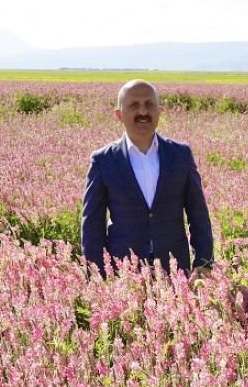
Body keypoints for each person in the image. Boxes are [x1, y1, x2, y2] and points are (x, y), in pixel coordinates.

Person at [82, 79, 214, 277]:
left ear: (159, 110)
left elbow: (198, 213)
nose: (143, 112)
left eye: (149, 105)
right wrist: (96, 273)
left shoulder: (180, 154)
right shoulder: (103, 160)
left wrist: (204, 262)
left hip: (175, 269)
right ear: (119, 114)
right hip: (123, 271)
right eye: (134, 106)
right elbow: (92, 223)